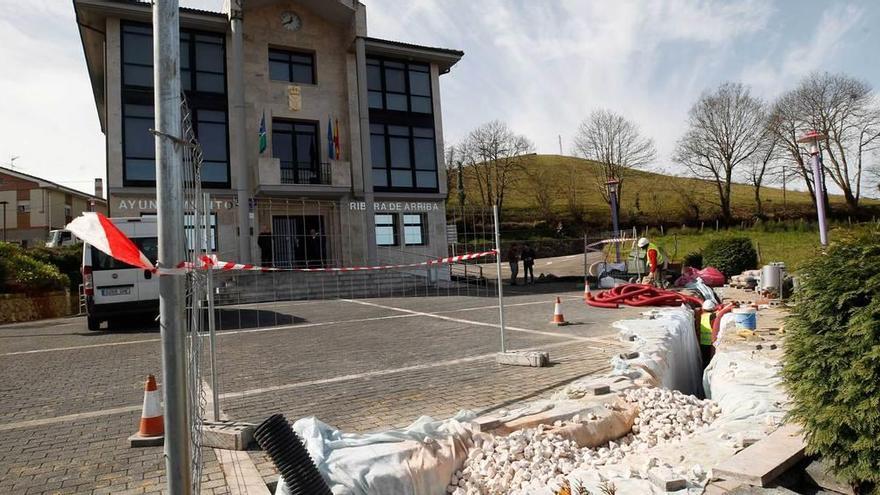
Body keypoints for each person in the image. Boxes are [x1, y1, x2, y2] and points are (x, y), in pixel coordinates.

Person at [699, 299, 717, 367]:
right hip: (711, 343)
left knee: (704, 360)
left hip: (701, 343)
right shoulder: (712, 316)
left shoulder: (700, 316)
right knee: (710, 361)